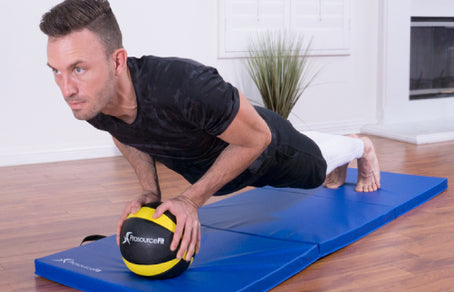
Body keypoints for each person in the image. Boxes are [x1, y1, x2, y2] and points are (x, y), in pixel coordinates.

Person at [40, 0, 380, 262]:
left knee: (314, 172)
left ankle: (358, 145)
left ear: (117, 61)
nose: (66, 88)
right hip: (220, 166)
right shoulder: (93, 101)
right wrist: (149, 190)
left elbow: (258, 138)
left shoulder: (185, 85)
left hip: (265, 148)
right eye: (56, 71)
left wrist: (190, 199)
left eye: (78, 68)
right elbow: (124, 132)